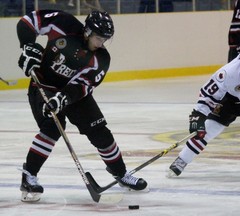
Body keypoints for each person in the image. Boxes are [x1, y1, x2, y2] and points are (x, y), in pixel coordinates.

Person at [17, 9, 147, 202]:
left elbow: (82, 87)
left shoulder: (101, 58)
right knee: (53, 127)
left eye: (105, 40)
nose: (101, 43)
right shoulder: (64, 24)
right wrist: (28, 46)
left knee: (101, 133)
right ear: (87, 31)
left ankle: (121, 173)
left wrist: (63, 98)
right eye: (98, 38)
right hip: (43, 85)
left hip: (73, 94)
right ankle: (29, 176)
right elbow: (28, 21)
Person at [168, 40, 240, 179]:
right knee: (210, 127)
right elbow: (209, 93)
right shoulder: (230, 71)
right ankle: (182, 159)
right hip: (233, 97)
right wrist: (199, 114)